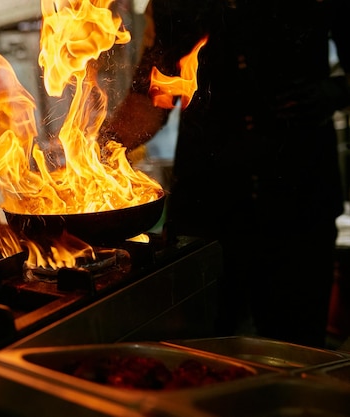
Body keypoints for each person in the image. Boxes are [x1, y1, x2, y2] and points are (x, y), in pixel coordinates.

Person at [101, 0, 350, 348]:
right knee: (201, 345)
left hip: (298, 199)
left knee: (296, 347)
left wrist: (334, 91)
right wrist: (98, 150)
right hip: (208, 209)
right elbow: (152, 95)